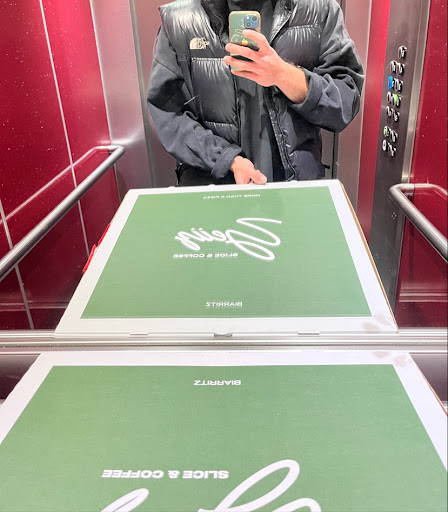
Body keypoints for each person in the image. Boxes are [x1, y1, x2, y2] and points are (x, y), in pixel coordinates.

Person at [147, 0, 364, 186]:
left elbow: (345, 101)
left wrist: (283, 75)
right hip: (213, 189)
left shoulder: (318, 10)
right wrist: (225, 158)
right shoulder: (180, 20)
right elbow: (168, 114)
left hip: (296, 191)